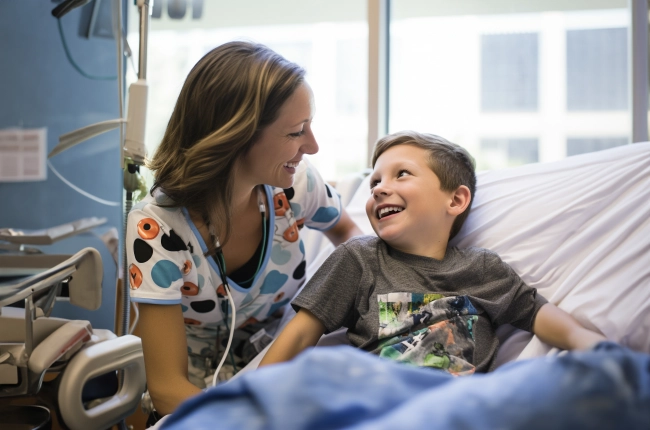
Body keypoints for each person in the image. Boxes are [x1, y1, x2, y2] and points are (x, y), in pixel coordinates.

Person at [126, 41, 362, 417]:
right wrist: (246, 417)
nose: (312, 147)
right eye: (296, 132)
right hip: (197, 397)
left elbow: (352, 239)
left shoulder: (297, 186)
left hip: (285, 367)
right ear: (236, 135)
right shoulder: (156, 230)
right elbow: (168, 388)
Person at [259, 130, 606, 374]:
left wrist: (590, 345)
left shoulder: (482, 269)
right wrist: (251, 399)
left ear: (455, 200)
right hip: (381, 399)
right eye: (375, 182)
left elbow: (537, 314)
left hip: (460, 406)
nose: (380, 189)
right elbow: (302, 333)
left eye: (401, 175)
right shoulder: (359, 259)